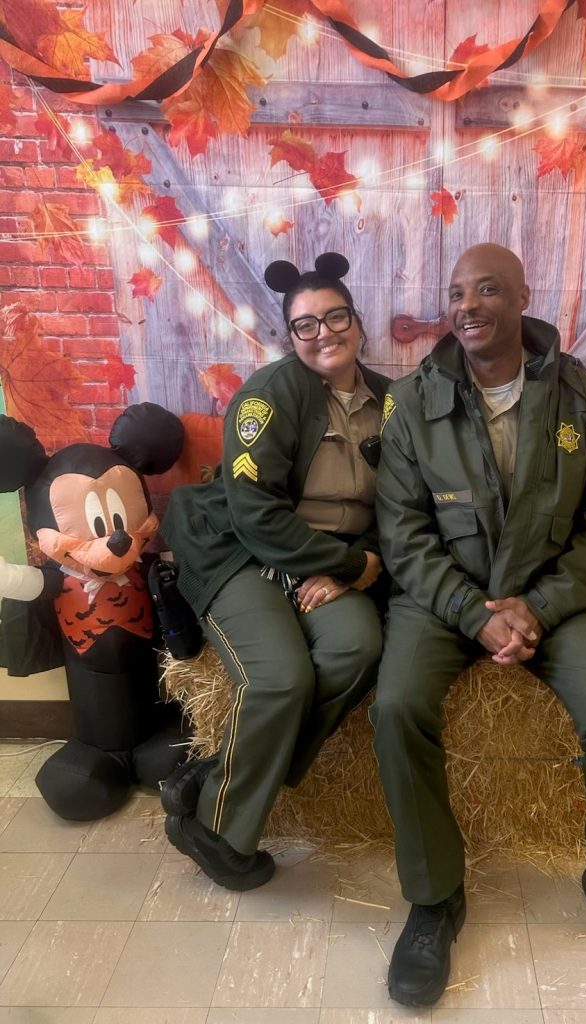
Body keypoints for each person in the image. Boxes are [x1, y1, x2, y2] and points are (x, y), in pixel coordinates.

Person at [371, 243, 586, 1005]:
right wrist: (469, 615)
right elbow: (403, 533)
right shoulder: (414, 401)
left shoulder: (583, 400)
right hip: (443, 600)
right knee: (396, 707)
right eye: (455, 292)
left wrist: (538, 607)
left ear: (522, 298)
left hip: (551, 594)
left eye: (487, 289)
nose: (467, 304)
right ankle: (434, 897)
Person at [160, 252, 387, 891]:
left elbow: (405, 502)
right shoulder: (269, 394)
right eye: (305, 325)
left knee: (358, 644)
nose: (323, 334)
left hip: (329, 559)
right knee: (280, 679)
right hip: (242, 550)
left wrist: (364, 562)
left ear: (357, 321)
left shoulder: (393, 404)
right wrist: (348, 562)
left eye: (335, 316)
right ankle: (217, 833)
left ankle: (220, 766)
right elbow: (256, 515)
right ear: (290, 337)